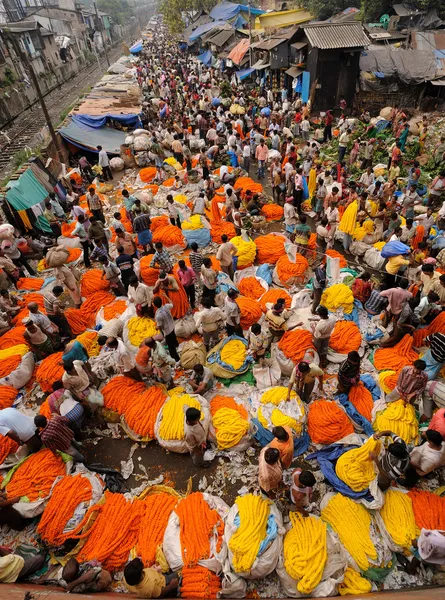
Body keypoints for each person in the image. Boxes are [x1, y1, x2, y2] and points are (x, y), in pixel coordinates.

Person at [153, 297, 179, 361]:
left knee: (170, 347)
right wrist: (166, 296)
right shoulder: (166, 306)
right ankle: (177, 345)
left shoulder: (158, 315)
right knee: (174, 338)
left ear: (154, 305)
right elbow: (172, 303)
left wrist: (156, 327)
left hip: (167, 331)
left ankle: (176, 358)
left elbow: (160, 326)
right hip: (172, 326)